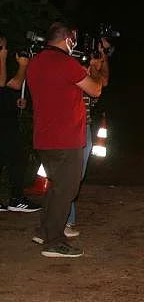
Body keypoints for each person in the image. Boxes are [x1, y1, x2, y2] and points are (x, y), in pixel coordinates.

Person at [26, 22, 104, 258]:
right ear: (66, 39)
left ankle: (44, 230)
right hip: (66, 138)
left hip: (44, 137)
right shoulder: (66, 64)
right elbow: (95, 89)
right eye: (73, 39)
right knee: (66, 190)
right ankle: (54, 242)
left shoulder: (36, 62)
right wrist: (95, 69)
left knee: (55, 187)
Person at [65, 38, 111, 237]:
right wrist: (93, 66)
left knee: (74, 177)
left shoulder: (84, 66)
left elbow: (102, 82)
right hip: (70, 128)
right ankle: (62, 223)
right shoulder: (68, 65)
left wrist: (101, 60)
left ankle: (66, 220)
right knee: (68, 177)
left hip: (83, 126)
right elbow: (96, 85)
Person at [0, 36, 41, 213]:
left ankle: (15, 197)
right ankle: (16, 198)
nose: (5, 50)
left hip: (7, 119)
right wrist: (23, 65)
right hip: (4, 123)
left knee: (6, 158)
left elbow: (8, 88)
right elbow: (5, 83)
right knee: (17, 158)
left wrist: (15, 100)